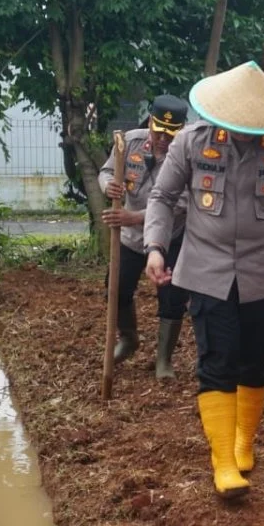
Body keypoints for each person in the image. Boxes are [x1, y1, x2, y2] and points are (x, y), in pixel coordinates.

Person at [144, 61, 264, 500]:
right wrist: (155, 247)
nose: (245, 134)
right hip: (205, 272)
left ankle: (244, 442)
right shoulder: (191, 143)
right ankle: (223, 462)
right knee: (216, 362)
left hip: (258, 275)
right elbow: (162, 197)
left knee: (256, 363)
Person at [98, 95, 190, 380]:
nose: (164, 138)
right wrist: (108, 187)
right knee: (116, 288)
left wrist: (135, 216)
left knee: (172, 297)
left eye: (171, 133)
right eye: (159, 130)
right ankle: (129, 338)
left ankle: (164, 361)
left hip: (170, 238)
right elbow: (106, 171)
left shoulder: (186, 152)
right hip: (130, 239)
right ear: (151, 121)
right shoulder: (129, 142)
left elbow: (181, 204)